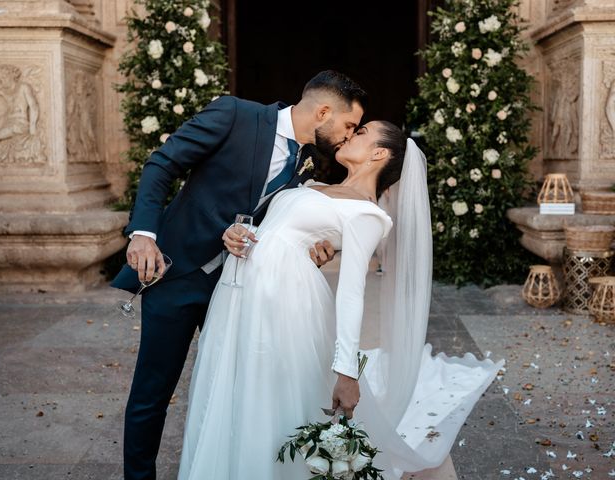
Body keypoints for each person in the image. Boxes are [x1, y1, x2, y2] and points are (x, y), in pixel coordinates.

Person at [177, 121, 504, 479]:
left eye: (361, 132)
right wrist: (240, 232)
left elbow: (352, 291)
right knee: (232, 389)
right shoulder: (315, 185)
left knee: (268, 396)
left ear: (379, 154)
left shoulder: (368, 214)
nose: (350, 135)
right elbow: (278, 232)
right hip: (242, 292)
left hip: (286, 302)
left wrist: (346, 372)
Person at [110, 70, 368, 479]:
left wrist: (308, 246)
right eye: (348, 125)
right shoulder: (235, 115)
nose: (348, 136)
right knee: (152, 393)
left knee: (228, 389)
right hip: (177, 275)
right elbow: (162, 164)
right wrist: (144, 233)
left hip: (239, 289)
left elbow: (279, 224)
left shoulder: (307, 161)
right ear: (323, 111)